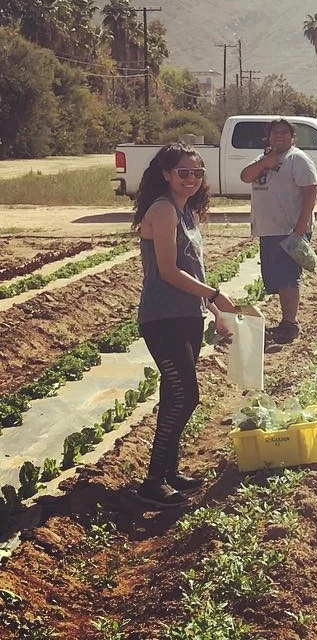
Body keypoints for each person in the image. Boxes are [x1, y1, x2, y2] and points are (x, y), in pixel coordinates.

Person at [133, 143, 237, 509]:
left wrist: (210, 309)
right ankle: (152, 481)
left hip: (186, 316)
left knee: (173, 394)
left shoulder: (186, 210)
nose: (191, 179)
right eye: (183, 173)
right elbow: (168, 271)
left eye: (196, 173)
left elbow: (193, 267)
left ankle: (169, 471)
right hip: (162, 318)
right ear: (166, 174)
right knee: (185, 396)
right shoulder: (162, 210)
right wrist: (215, 295)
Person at [240, 119, 317, 345]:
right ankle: (285, 322)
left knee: (288, 279)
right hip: (269, 229)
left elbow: (311, 191)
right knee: (277, 279)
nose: (279, 137)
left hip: (289, 229)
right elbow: (246, 176)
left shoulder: (298, 159)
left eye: (285, 133)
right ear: (269, 137)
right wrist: (266, 162)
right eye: (275, 133)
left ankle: (290, 324)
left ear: (293, 137)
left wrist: (301, 227)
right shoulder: (265, 158)